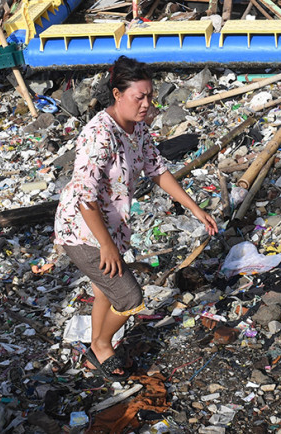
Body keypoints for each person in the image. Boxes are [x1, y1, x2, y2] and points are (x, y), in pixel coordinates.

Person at [54, 56, 218, 379]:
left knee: (106, 288)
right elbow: (85, 197)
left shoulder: (137, 129)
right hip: (83, 231)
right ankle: (101, 345)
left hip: (109, 229)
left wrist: (195, 208)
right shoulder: (99, 135)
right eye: (138, 97)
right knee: (130, 296)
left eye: (149, 96)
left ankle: (96, 351)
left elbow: (157, 169)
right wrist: (106, 246)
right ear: (116, 94)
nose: (146, 105)